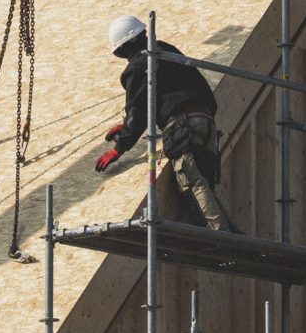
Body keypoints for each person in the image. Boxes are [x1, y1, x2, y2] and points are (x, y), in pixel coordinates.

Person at [94, 16, 238, 231]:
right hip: (205, 122)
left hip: (182, 126)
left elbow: (138, 110)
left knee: (193, 184)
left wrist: (120, 147)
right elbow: (167, 95)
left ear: (123, 47)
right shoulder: (166, 50)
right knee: (204, 184)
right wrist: (127, 126)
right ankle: (231, 233)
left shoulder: (138, 66)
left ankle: (222, 236)